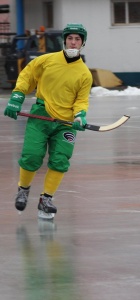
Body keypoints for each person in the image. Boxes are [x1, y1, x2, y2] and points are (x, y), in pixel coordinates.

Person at [3, 23, 93, 220]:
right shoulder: (46, 60)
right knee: (32, 156)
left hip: (66, 123)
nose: (73, 42)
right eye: (70, 38)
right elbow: (26, 77)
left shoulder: (84, 73)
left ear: (82, 43)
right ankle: (23, 189)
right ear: (65, 40)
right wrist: (16, 98)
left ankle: (46, 199)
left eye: (78, 39)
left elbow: (81, 99)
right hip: (41, 115)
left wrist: (80, 115)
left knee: (60, 160)